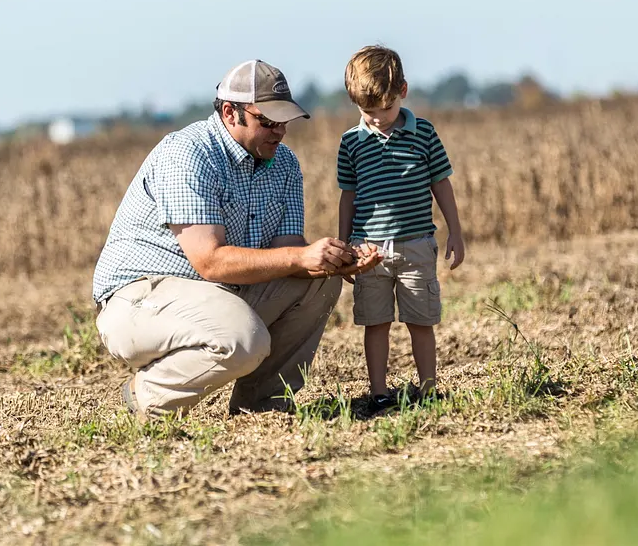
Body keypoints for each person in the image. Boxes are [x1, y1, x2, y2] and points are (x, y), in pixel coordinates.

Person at [92, 59, 384, 419]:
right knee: (243, 342)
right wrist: (300, 258)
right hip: (139, 299)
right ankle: (146, 397)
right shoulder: (188, 154)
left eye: (285, 121)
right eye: (268, 121)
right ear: (231, 112)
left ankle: (263, 408)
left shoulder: (285, 164)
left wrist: (334, 261)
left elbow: (285, 252)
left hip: (212, 295)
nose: (280, 131)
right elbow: (209, 261)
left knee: (320, 286)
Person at [336, 45, 465, 412]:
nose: (378, 119)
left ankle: (428, 389)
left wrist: (455, 230)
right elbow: (349, 197)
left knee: (420, 321)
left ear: (403, 91)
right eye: (368, 112)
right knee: (375, 323)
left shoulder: (424, 133)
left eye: (386, 109)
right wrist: (346, 245)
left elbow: (441, 183)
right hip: (368, 250)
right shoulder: (350, 143)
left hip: (417, 245)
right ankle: (379, 392)